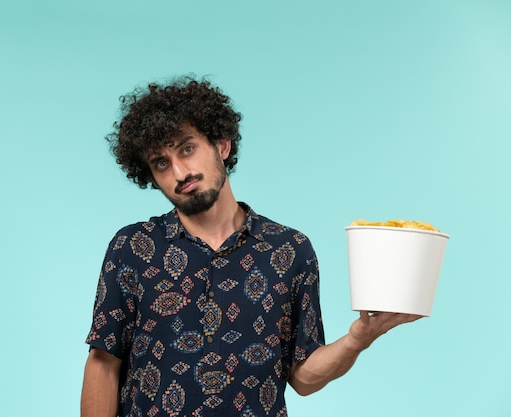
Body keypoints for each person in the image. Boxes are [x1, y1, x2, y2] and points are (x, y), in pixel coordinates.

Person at [81, 76, 420, 417]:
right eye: (161, 163)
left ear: (222, 145)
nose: (180, 172)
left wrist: (357, 340)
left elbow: (303, 377)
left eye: (187, 148)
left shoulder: (290, 251)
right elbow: (103, 363)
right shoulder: (133, 248)